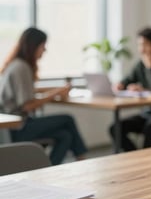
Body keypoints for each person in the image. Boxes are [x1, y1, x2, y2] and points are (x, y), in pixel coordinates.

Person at [0, 27, 88, 165]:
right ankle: (82, 160)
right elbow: (27, 105)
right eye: (43, 46)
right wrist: (56, 93)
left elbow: (28, 94)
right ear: (33, 46)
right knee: (67, 119)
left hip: (16, 126)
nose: (44, 50)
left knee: (65, 136)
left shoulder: (15, 65)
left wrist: (55, 91)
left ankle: (48, 169)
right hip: (19, 127)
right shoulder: (21, 67)